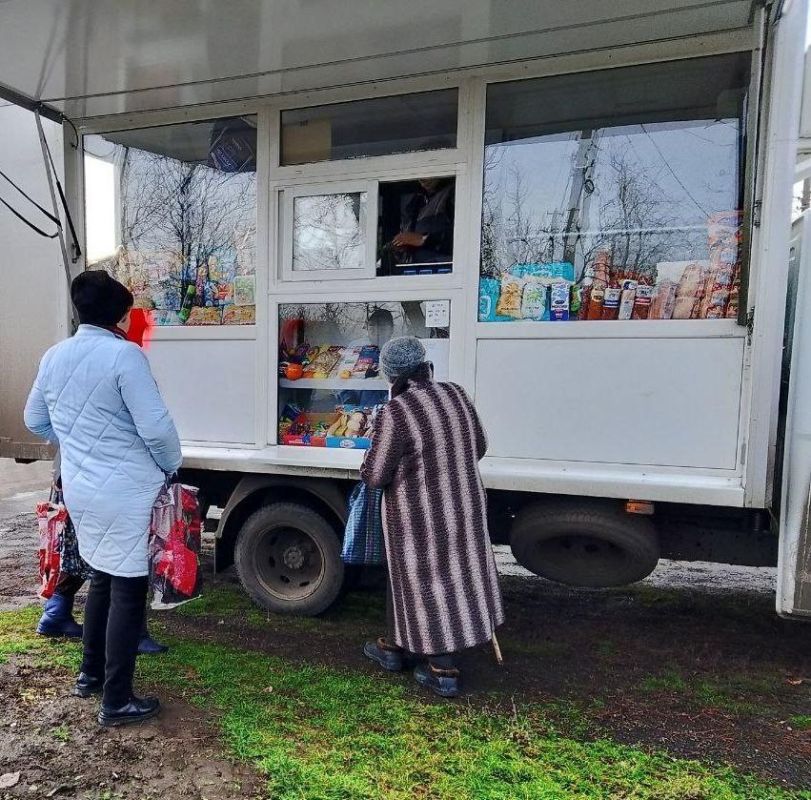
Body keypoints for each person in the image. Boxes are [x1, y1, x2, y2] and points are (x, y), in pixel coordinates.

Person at [24, 270, 182, 727]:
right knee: (127, 589)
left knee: (103, 579)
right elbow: (155, 427)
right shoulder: (124, 356)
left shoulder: (54, 355)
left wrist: (74, 443)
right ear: (118, 313)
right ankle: (116, 700)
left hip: (82, 486)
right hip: (127, 489)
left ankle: (90, 675)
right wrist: (170, 464)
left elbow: (34, 418)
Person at [360, 336, 504, 698]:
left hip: (418, 519)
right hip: (466, 506)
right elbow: (480, 446)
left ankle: (443, 669)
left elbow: (376, 474)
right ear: (426, 366)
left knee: (427, 584)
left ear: (392, 376)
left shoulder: (396, 412)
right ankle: (394, 648)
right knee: (455, 577)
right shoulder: (456, 394)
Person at [36, 452, 169, 655]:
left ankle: (57, 613)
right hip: (108, 482)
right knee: (122, 557)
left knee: (83, 554)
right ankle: (134, 635)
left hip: (78, 477)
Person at [379, 178, 454, 275]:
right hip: (413, 273)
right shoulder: (414, 203)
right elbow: (408, 237)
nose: (423, 179)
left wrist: (424, 239)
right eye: (420, 177)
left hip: (442, 272)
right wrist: (401, 248)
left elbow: (463, 238)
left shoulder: (452, 192)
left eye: (427, 174)